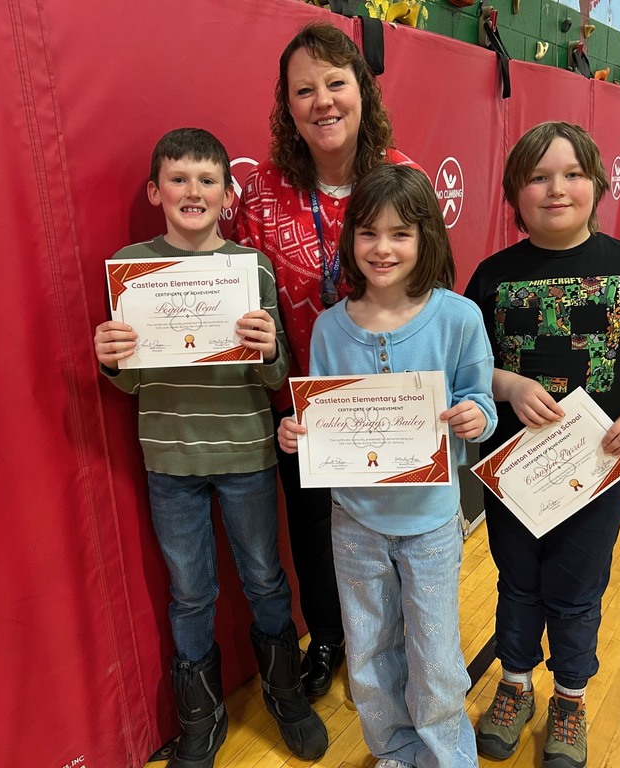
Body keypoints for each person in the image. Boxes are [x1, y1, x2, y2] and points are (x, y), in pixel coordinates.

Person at [93, 127, 327, 768]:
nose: (191, 191)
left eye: (206, 181)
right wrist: (111, 360)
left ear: (228, 195)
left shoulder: (253, 267)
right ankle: (202, 715)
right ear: (154, 191)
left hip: (248, 454)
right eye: (178, 178)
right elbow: (132, 378)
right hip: (170, 459)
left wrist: (271, 347)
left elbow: (276, 378)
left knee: (263, 578)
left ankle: (285, 692)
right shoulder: (132, 268)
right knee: (189, 592)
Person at [465, 121, 620, 768]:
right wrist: (505, 383)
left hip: (598, 470)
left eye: (571, 174)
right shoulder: (492, 276)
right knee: (518, 582)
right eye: (538, 176)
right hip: (514, 471)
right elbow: (464, 363)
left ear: (598, 182)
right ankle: (513, 685)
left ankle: (569, 696)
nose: (555, 188)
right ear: (514, 192)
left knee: (576, 587)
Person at [278, 163, 498, 768]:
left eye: (400, 233)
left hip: (429, 523)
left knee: (435, 654)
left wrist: (477, 418)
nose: (383, 248)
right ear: (350, 240)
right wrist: (298, 430)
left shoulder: (458, 318)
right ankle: (393, 752)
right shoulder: (328, 328)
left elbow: (481, 400)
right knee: (370, 651)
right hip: (354, 523)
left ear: (427, 237)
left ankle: (447, 757)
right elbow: (320, 414)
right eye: (368, 233)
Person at [234, 19, 420, 697]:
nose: (323, 101)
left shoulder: (400, 178)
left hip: (389, 401)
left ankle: (402, 643)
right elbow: (237, 293)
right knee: (314, 535)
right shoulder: (259, 196)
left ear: (361, 91)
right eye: (303, 89)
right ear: (287, 106)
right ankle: (331, 640)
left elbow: (432, 290)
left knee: (394, 534)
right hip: (302, 407)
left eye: (336, 83)